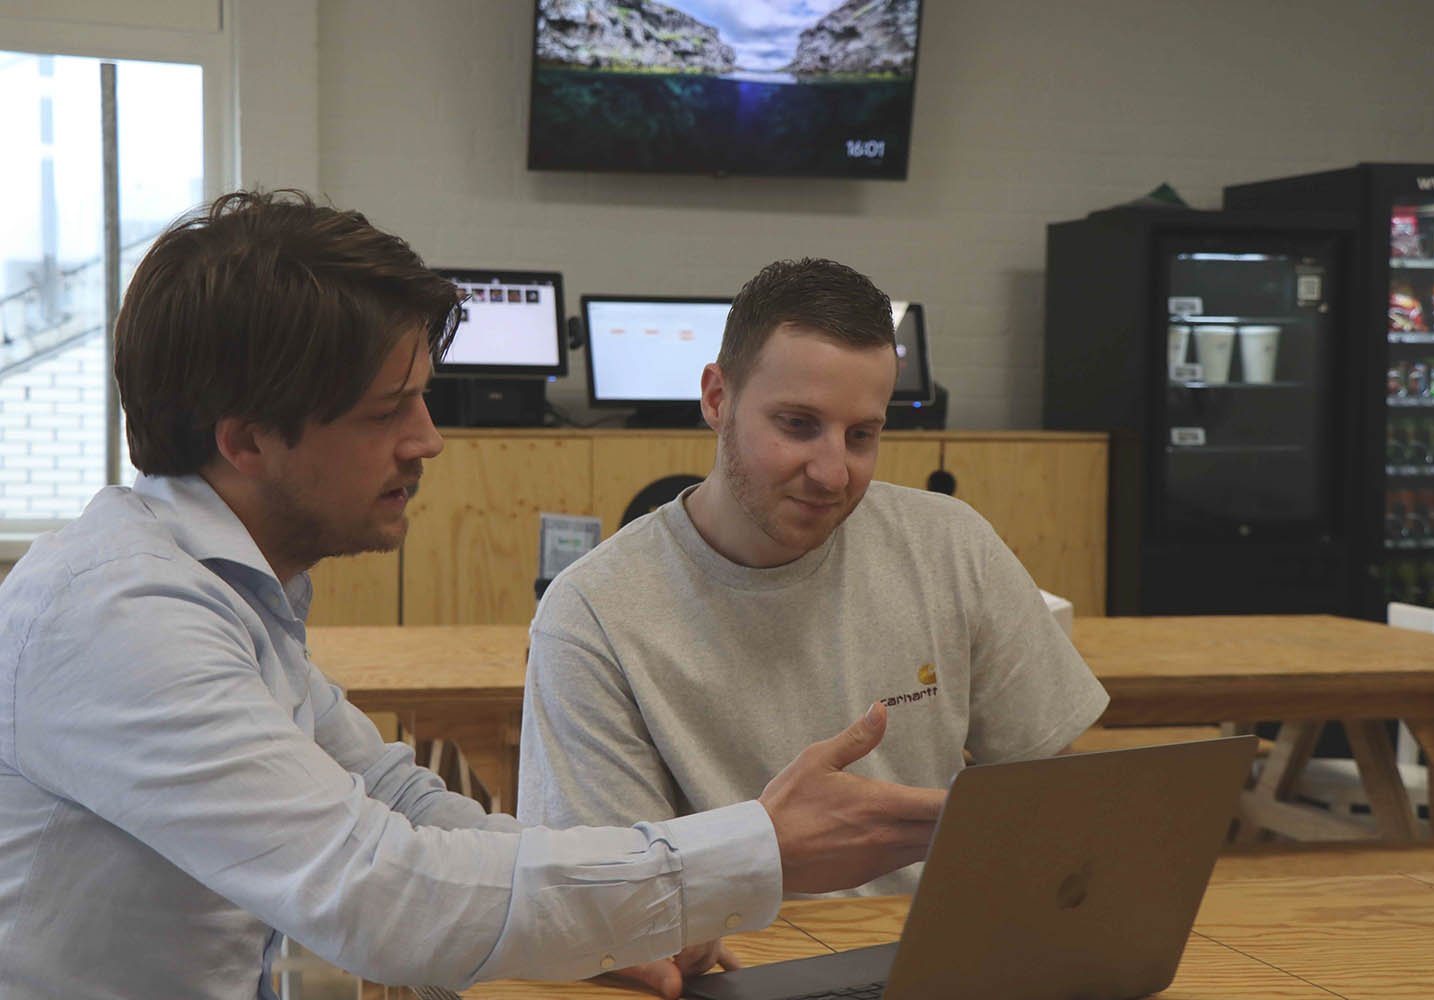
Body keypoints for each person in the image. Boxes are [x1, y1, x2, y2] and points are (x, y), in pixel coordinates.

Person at [0, 192, 947, 999]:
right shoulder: (120, 612)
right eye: (387, 411)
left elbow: (399, 798)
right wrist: (743, 855)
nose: (428, 440)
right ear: (246, 442)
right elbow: (373, 890)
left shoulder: (220, 586)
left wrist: (622, 920)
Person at [517, 257, 1109, 992]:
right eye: (798, 426)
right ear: (715, 397)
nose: (833, 473)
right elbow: (603, 909)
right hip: (731, 973)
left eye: (862, 435)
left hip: (941, 958)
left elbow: (1059, 804)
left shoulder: (952, 545)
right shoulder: (593, 613)